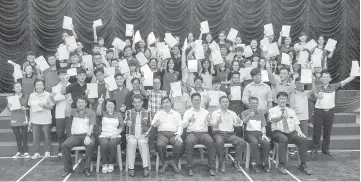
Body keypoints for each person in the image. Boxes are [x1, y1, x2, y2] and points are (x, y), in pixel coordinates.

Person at [311, 71, 356, 156]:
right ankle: (315, 148)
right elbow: (314, 94)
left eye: (327, 77)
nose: (325, 79)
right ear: (321, 78)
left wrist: (354, 75)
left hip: (330, 112)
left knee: (327, 131)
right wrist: (313, 84)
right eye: (324, 77)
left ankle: (325, 149)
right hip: (318, 111)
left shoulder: (334, 86)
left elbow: (345, 81)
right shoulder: (317, 86)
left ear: (330, 79)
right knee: (317, 131)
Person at [268, 92, 311, 175]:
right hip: (277, 132)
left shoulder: (291, 111)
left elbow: (296, 124)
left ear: (287, 100)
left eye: (284, 98)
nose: (283, 100)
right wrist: (281, 117)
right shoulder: (272, 110)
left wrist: (299, 131)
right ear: (277, 100)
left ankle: (303, 164)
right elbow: (272, 119)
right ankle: (281, 165)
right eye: (281, 98)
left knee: (303, 139)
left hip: (290, 132)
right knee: (283, 139)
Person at [62, 95, 96, 177]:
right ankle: (68, 169)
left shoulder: (91, 112)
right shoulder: (73, 111)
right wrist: (68, 104)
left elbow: (91, 125)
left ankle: (86, 169)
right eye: (78, 102)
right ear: (76, 103)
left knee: (90, 145)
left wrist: (88, 136)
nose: (80, 104)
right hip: (75, 136)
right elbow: (66, 114)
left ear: (86, 103)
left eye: (82, 102)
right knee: (64, 145)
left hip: (87, 135)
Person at [182, 93, 216, 176]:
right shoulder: (188, 112)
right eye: (195, 100)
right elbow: (183, 125)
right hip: (192, 133)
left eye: (198, 100)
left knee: (211, 142)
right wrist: (189, 120)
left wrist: (209, 121)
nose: (196, 101)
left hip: (203, 133)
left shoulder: (205, 112)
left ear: (200, 101)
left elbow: (210, 125)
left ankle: (211, 167)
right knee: (189, 142)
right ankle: (190, 167)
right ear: (191, 101)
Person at [210, 96, 245, 173]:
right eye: (223, 102)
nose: (225, 103)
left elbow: (237, 124)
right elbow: (212, 125)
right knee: (219, 142)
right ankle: (222, 162)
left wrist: (239, 121)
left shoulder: (232, 113)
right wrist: (217, 122)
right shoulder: (215, 113)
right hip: (218, 133)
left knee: (241, 142)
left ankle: (236, 162)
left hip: (230, 134)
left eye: (227, 102)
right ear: (220, 103)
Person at [152, 97, 183, 174]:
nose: (165, 104)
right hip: (162, 134)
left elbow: (180, 126)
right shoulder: (159, 113)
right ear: (161, 104)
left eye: (167, 102)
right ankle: (164, 163)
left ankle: (174, 163)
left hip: (174, 134)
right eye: (163, 103)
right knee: (160, 144)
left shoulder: (176, 113)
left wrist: (179, 134)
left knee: (179, 144)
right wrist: (155, 124)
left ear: (171, 103)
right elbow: (153, 123)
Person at [124, 94, 151, 177]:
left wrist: (145, 134)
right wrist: (127, 123)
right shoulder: (128, 112)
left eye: (139, 102)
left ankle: (145, 167)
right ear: (132, 103)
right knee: (132, 142)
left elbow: (151, 126)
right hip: (131, 135)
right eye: (135, 102)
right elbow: (124, 122)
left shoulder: (147, 112)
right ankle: (131, 168)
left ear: (142, 102)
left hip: (143, 135)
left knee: (142, 143)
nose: (137, 104)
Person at [241, 97, 270, 173]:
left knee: (266, 143)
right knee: (254, 142)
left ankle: (264, 163)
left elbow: (263, 126)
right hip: (249, 133)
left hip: (259, 133)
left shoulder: (261, 113)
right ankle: (254, 163)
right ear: (249, 104)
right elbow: (243, 122)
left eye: (256, 103)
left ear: (258, 104)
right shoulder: (244, 112)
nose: (254, 104)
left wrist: (264, 134)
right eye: (252, 103)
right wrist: (249, 116)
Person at [96, 98, 124, 174]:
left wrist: (116, 134)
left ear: (115, 106)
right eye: (108, 105)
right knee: (104, 144)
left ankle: (111, 163)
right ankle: (105, 164)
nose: (110, 107)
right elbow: (98, 113)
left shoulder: (118, 114)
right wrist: (99, 103)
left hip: (115, 135)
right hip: (104, 134)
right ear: (105, 106)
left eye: (112, 105)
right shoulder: (103, 113)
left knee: (112, 143)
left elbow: (122, 127)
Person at [28, 79, 54, 159]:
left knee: (47, 136)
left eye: (41, 85)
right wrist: (29, 120)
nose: (39, 86)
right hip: (35, 119)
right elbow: (30, 107)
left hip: (45, 119)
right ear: (35, 86)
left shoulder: (48, 95)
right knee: (35, 137)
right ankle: (36, 152)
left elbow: (51, 107)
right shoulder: (32, 95)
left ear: (44, 86)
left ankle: (47, 151)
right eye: (37, 85)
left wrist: (44, 106)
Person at [49, 69, 71, 158]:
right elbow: (54, 102)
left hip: (69, 113)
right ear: (58, 76)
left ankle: (70, 151)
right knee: (60, 134)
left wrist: (58, 96)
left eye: (65, 74)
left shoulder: (71, 85)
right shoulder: (55, 87)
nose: (63, 76)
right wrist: (58, 97)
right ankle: (61, 151)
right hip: (59, 114)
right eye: (61, 75)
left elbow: (70, 96)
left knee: (70, 133)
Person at [7, 82, 30, 158]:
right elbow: (10, 110)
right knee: (17, 136)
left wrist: (25, 108)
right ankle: (19, 151)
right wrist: (9, 106)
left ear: (21, 87)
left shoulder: (26, 96)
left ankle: (26, 151)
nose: (18, 88)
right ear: (14, 89)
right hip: (14, 118)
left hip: (23, 117)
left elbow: (29, 107)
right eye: (16, 87)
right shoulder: (11, 98)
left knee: (24, 135)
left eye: (19, 86)